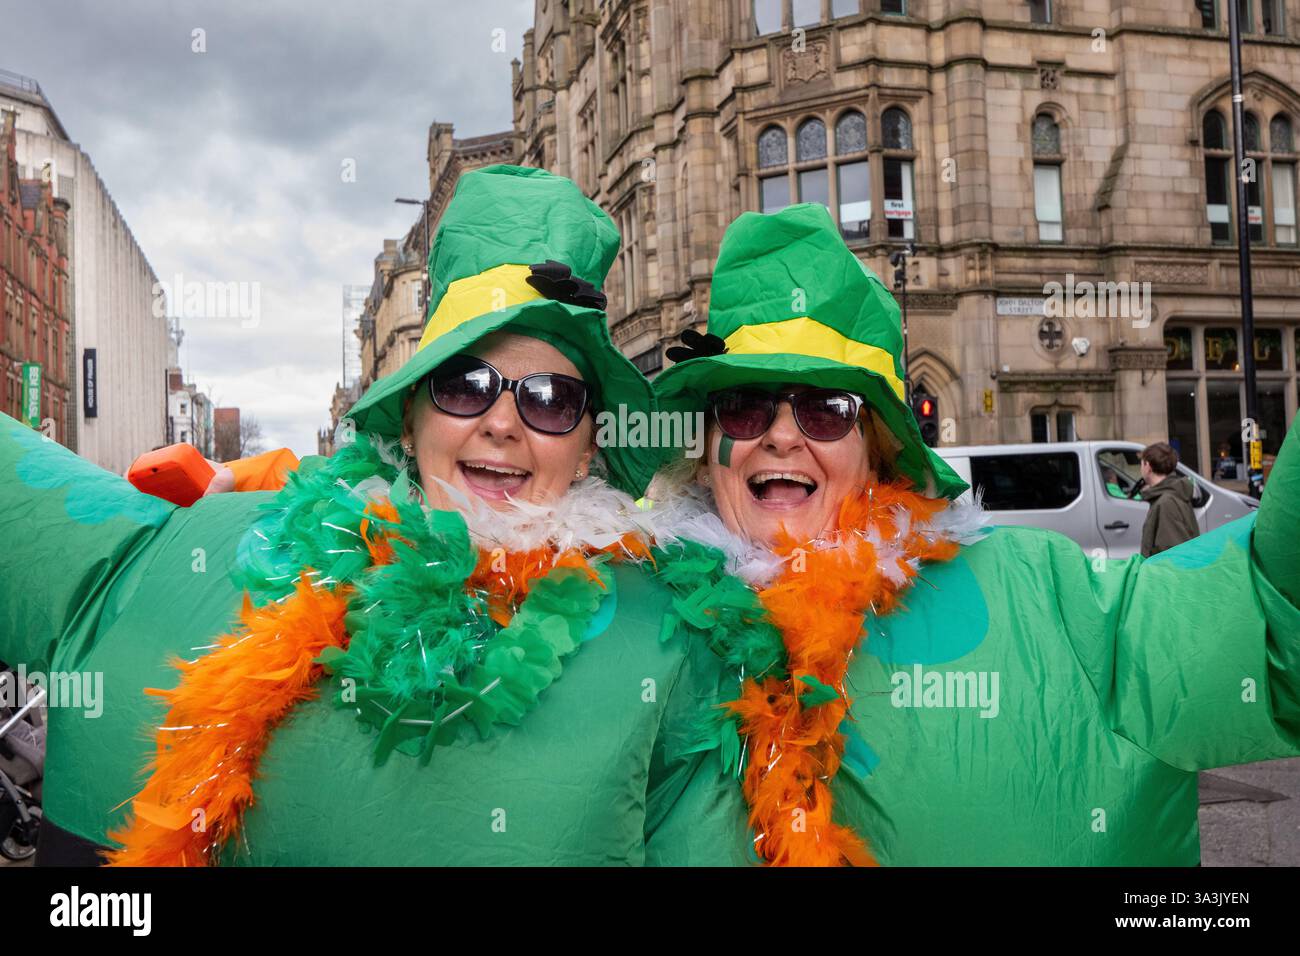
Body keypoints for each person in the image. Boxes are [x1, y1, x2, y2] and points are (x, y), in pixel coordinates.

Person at [0, 165, 744, 866]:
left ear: (588, 447)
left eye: (551, 399)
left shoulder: (679, 642)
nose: (503, 423)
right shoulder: (271, 550)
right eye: (464, 385)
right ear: (413, 419)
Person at [647, 202, 1300, 865]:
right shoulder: (625, 631)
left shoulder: (1048, 601)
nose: (782, 434)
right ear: (706, 445)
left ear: (876, 449)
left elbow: (1270, 619)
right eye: (745, 405)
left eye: (825, 409)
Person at [1139, 441, 1201, 557]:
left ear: (1148, 467)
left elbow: (1171, 554)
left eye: (1141, 463)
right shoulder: (1168, 495)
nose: (1141, 468)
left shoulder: (1166, 502)